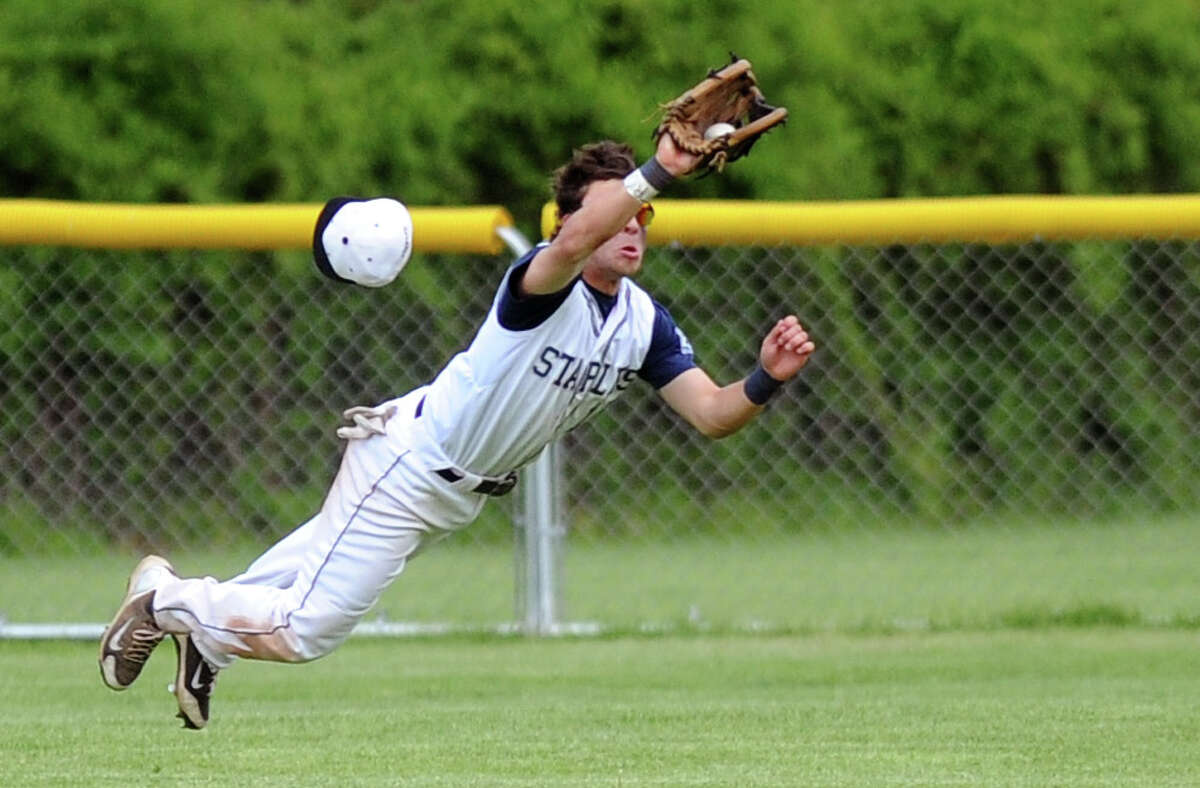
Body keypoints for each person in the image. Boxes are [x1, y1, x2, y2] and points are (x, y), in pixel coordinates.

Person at [97, 133, 816, 729]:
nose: (633, 225)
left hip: (456, 489)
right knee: (303, 630)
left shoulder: (643, 323)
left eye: (641, 217)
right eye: (619, 213)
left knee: (303, 569)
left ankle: (208, 647)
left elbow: (714, 414)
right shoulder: (540, 282)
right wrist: (657, 172)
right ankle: (164, 601)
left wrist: (767, 377)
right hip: (410, 465)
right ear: (569, 224)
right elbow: (572, 247)